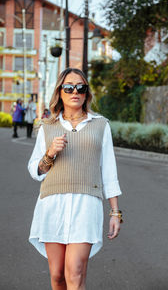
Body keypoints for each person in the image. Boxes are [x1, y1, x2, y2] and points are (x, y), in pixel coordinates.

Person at [28, 68, 122, 290]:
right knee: (57, 275)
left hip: (86, 204)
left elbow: (109, 171)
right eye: (68, 87)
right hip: (52, 205)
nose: (75, 92)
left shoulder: (101, 125)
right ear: (60, 92)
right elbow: (34, 170)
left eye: (80, 87)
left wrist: (115, 212)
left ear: (86, 92)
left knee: (75, 272)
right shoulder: (47, 127)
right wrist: (49, 154)